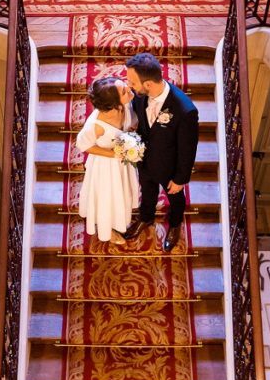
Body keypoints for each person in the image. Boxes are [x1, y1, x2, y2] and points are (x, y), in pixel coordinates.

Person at [122, 52, 199, 251]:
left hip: (169, 167)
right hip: (145, 160)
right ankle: (146, 217)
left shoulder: (185, 110)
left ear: (148, 83)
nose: (129, 85)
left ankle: (174, 224)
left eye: (132, 81)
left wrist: (181, 179)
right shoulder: (140, 97)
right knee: (147, 191)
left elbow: (188, 149)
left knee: (175, 199)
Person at [75, 76, 139, 245]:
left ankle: (121, 216)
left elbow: (131, 122)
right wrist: (115, 154)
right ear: (112, 104)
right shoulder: (95, 125)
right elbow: (84, 145)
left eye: (125, 85)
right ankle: (108, 230)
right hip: (106, 166)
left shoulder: (125, 103)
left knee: (123, 192)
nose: (129, 90)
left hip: (123, 161)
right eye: (124, 91)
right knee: (108, 199)